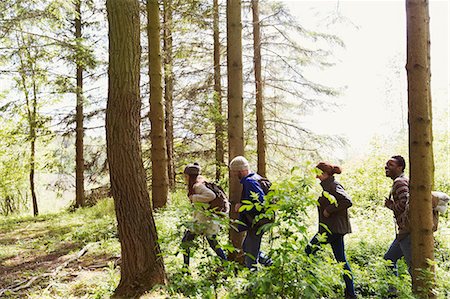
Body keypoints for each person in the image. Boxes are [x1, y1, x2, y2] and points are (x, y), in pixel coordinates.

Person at [306, 162, 357, 299]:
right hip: (333, 229)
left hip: (331, 230)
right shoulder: (328, 186)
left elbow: (347, 201)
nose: (316, 177)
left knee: (309, 251)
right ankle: (351, 294)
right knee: (341, 260)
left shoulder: (333, 186)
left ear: (325, 174)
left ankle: (311, 288)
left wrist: (329, 209)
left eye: (318, 173)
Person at [181, 163, 227, 269]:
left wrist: (194, 197)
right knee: (213, 244)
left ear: (189, 176)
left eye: (186, 176)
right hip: (207, 221)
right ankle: (226, 264)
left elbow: (211, 195)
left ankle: (185, 269)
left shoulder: (198, 186)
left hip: (202, 222)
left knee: (185, 242)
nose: (184, 178)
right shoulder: (199, 184)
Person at [229, 156, 272, 269]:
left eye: (234, 172)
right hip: (260, 221)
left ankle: (253, 282)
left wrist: (242, 207)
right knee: (247, 247)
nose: (234, 175)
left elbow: (261, 203)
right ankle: (271, 265)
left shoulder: (250, 181)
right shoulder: (256, 177)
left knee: (250, 255)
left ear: (241, 170)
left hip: (257, 222)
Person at [383, 155, 412, 276]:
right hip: (404, 230)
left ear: (400, 167)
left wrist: (390, 205)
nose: (386, 167)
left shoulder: (399, 182)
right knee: (389, 258)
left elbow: (405, 203)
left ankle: (421, 292)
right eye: (386, 164)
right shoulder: (402, 180)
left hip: (407, 230)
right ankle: (392, 293)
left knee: (413, 265)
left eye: (391, 165)